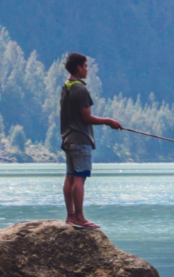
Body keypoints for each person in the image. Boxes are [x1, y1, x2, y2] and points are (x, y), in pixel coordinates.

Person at [59, 52, 121, 229]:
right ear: (79, 67)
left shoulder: (67, 87)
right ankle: (79, 217)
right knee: (80, 178)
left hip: (68, 139)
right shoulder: (81, 89)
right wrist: (109, 122)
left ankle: (70, 215)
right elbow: (86, 117)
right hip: (80, 140)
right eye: (86, 66)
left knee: (70, 176)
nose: (87, 69)